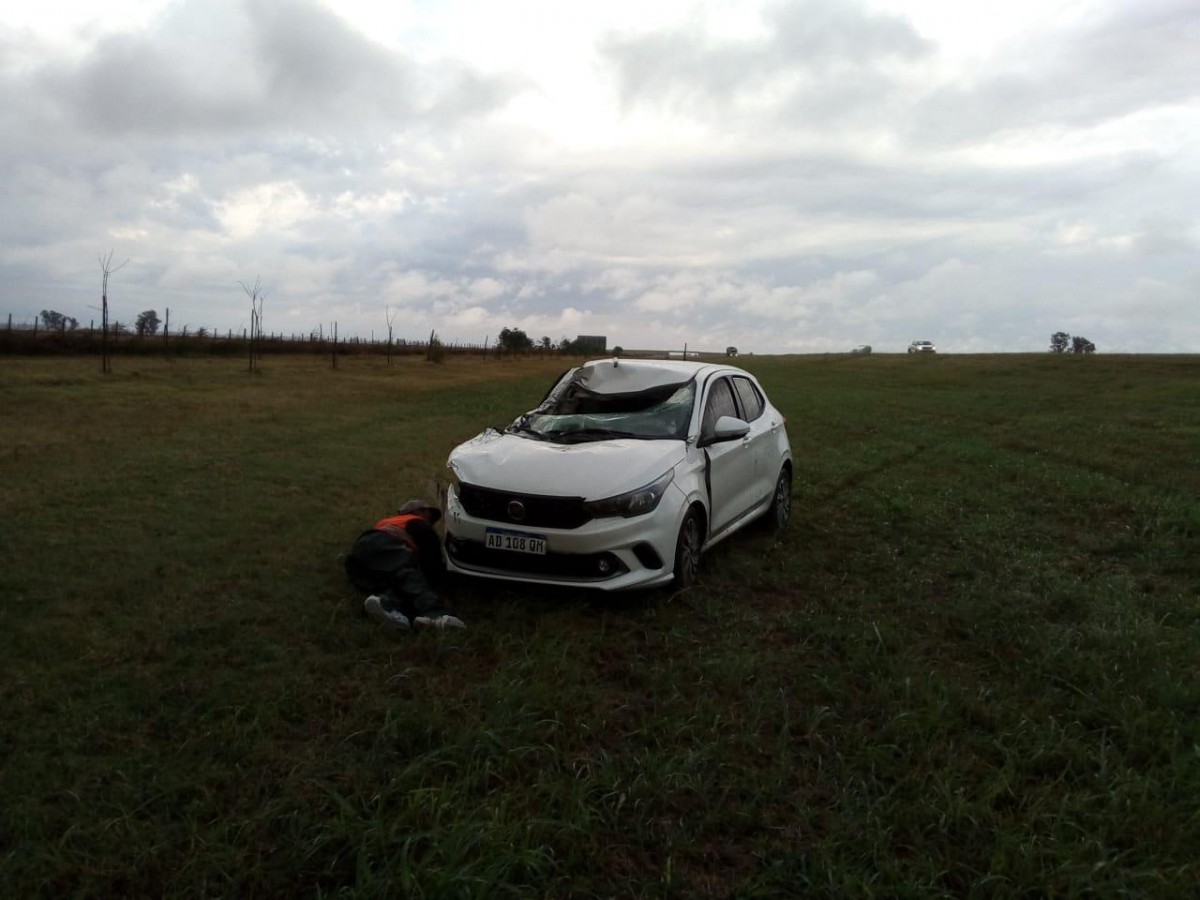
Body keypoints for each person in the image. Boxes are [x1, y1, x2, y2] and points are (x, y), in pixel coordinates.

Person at [345, 499, 466, 631]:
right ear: (418, 512)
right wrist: (441, 582)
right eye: (429, 516)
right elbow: (431, 558)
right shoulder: (415, 521)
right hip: (384, 544)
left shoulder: (387, 522)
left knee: (396, 583)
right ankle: (436, 615)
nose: (431, 522)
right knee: (409, 575)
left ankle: (387, 607)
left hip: (361, 553)